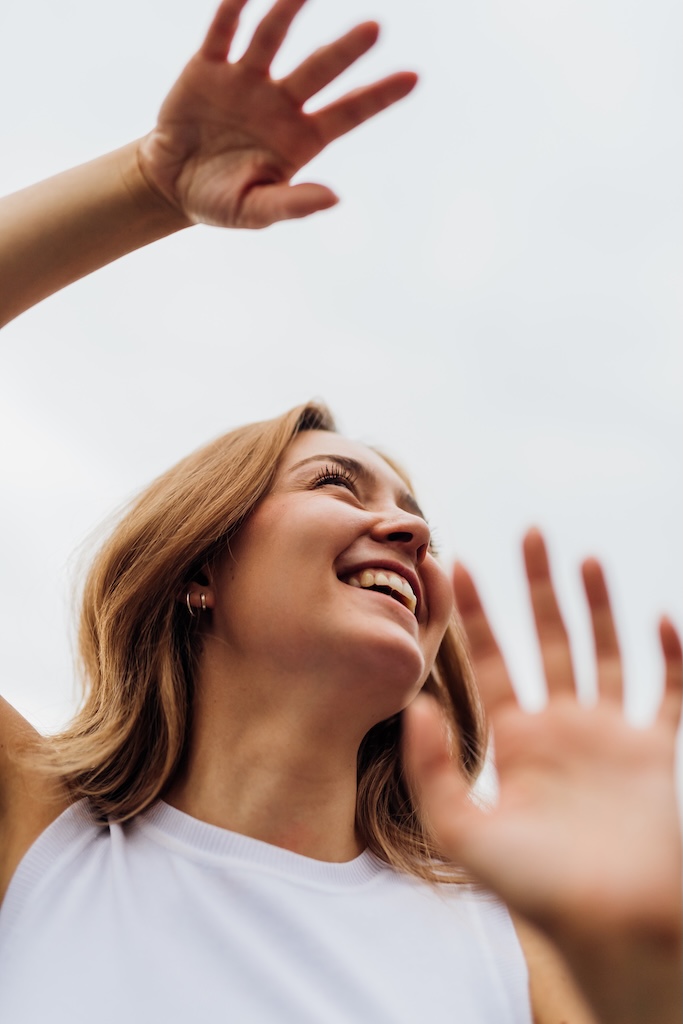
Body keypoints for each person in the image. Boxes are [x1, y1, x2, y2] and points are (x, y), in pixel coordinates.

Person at [0, 1, 680, 1022]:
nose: (407, 534)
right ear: (196, 567)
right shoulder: (33, 832)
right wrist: (145, 187)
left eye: (416, 520)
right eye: (333, 485)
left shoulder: (511, 943)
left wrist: (645, 960)